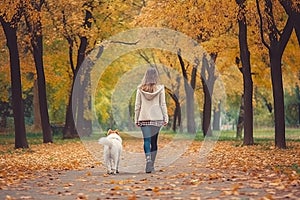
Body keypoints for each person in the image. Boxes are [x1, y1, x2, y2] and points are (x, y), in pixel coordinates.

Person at [134, 67, 168, 173]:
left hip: (144, 118)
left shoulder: (140, 89)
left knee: (146, 141)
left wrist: (136, 118)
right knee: (154, 142)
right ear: (156, 76)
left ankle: (148, 160)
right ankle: (151, 165)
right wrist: (165, 117)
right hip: (156, 119)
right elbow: (163, 104)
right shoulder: (160, 89)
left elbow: (137, 105)